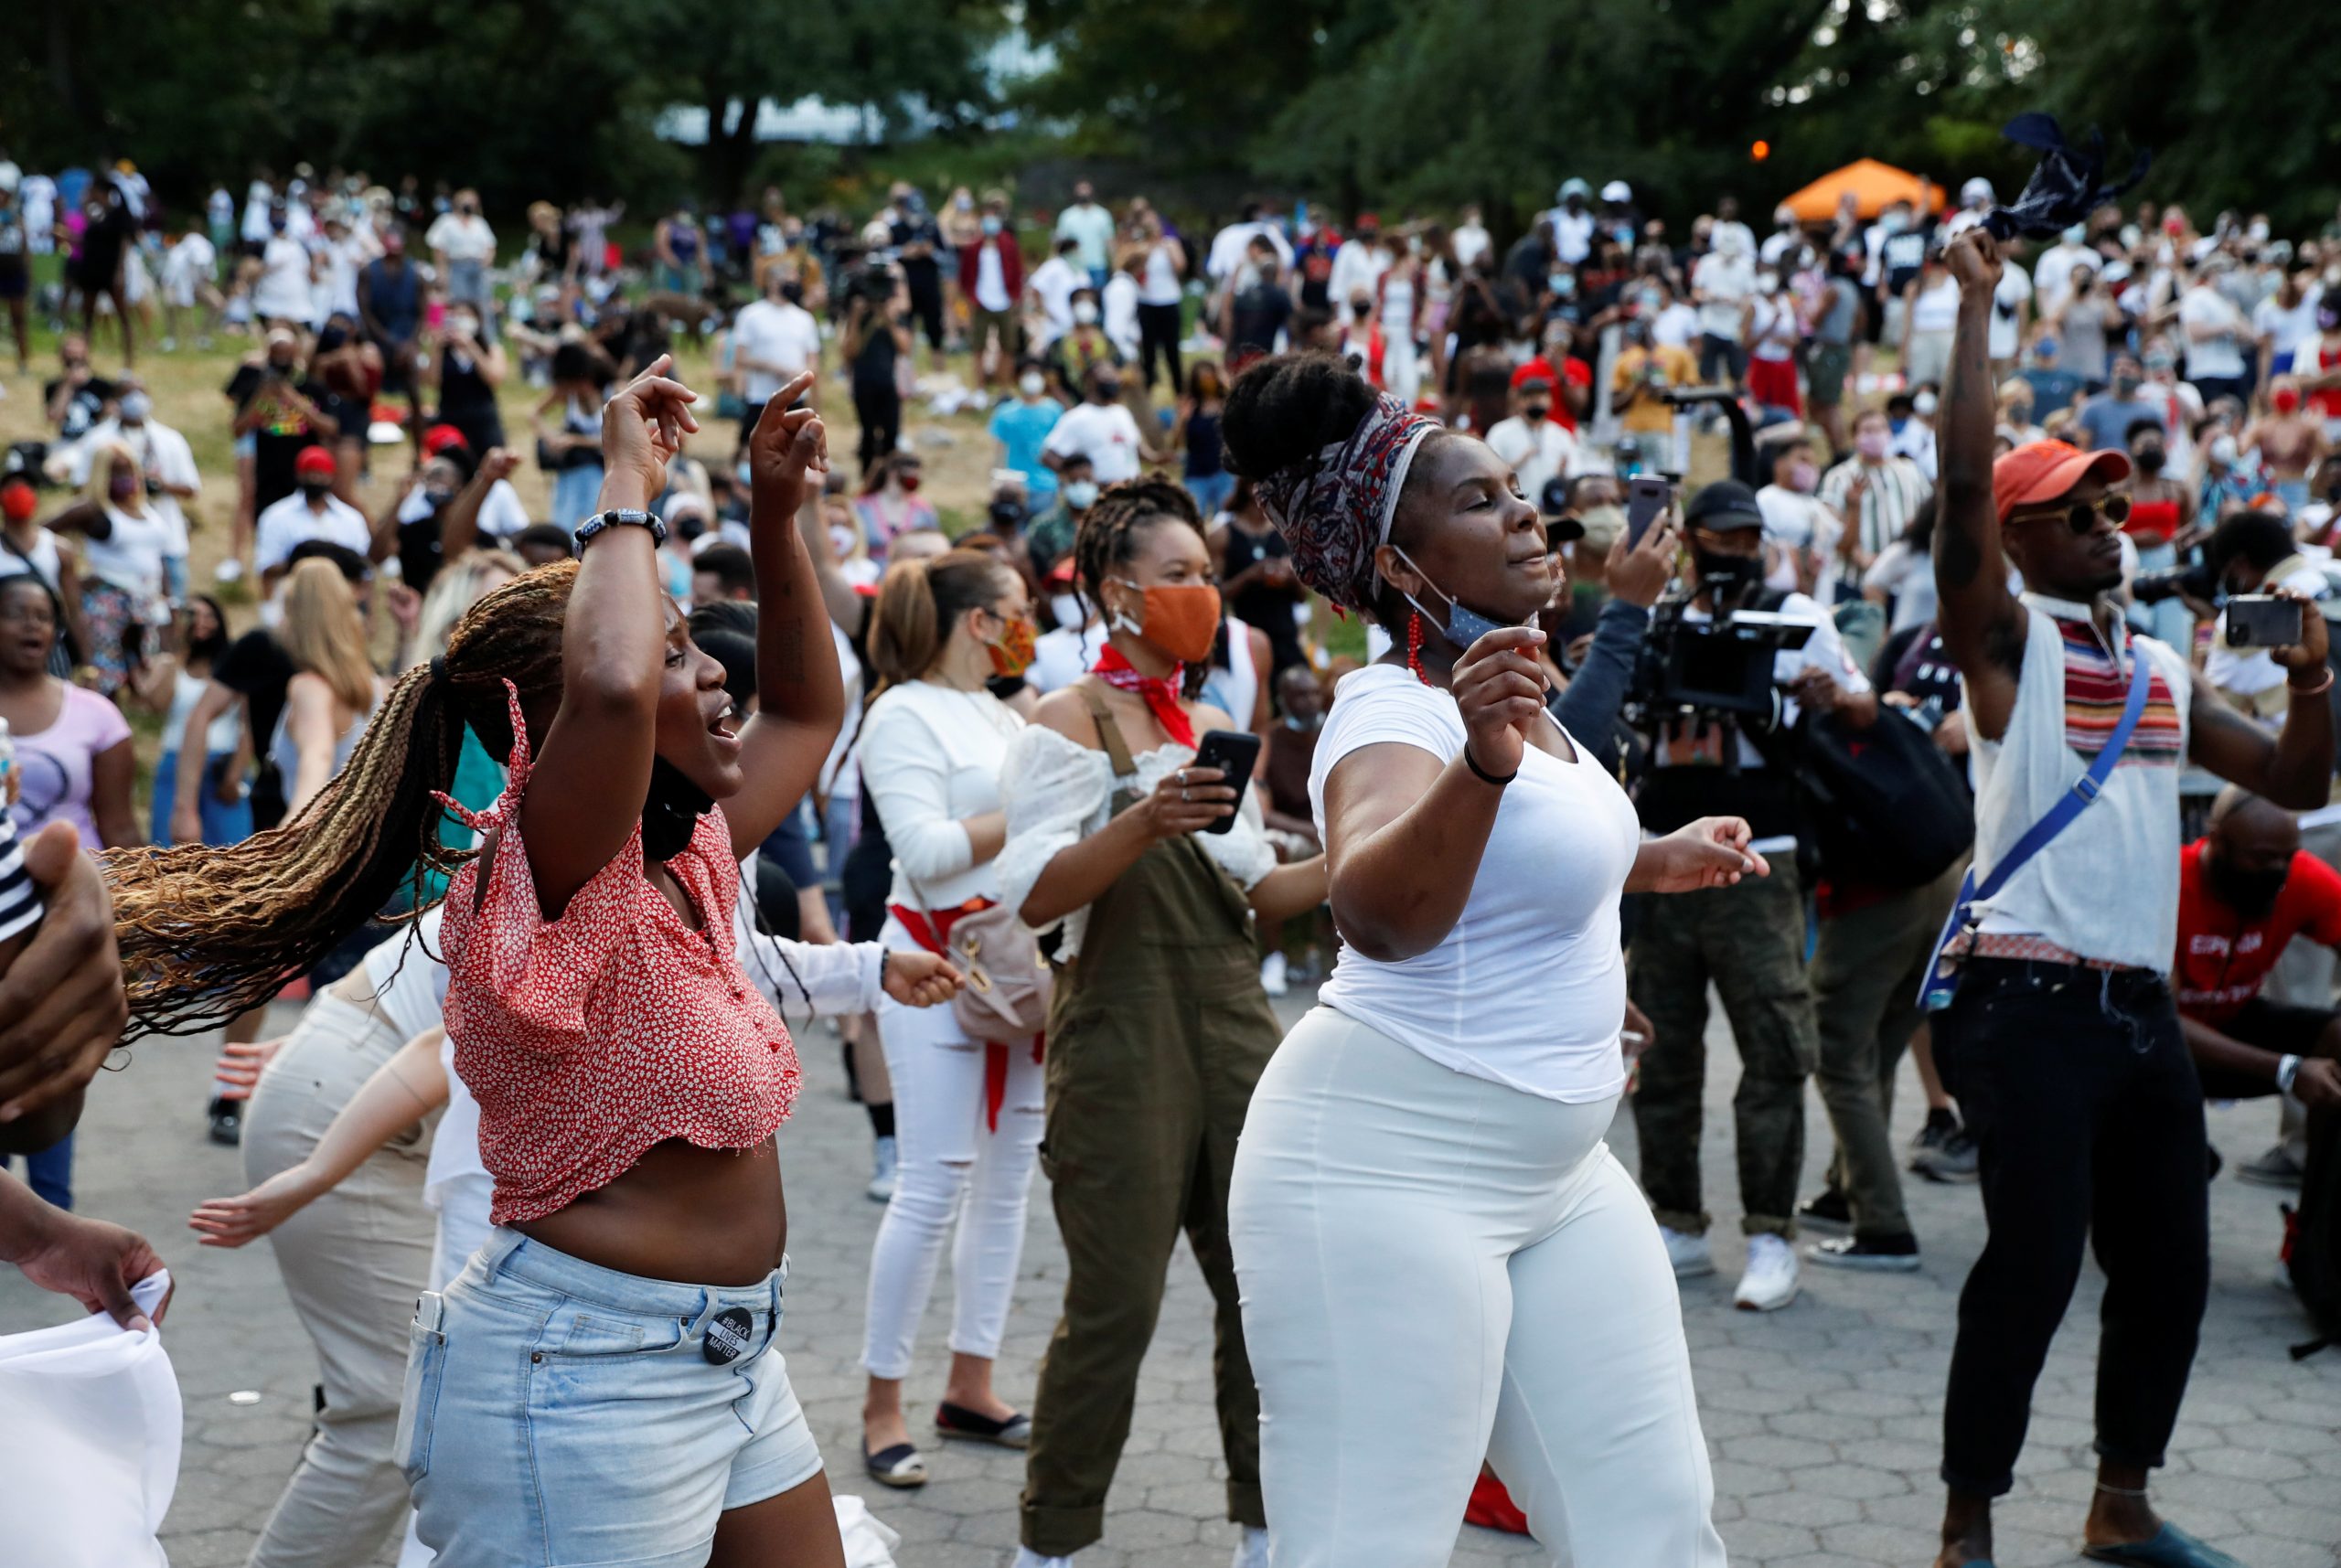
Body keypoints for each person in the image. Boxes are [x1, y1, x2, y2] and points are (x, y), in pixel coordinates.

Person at [1216, 353, 1738, 1566]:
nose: (1524, 513)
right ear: (1400, 567)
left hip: (1556, 1171)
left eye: (1515, 487)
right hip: (1381, 1173)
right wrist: (1483, 759)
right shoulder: (1396, 708)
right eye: (1477, 499)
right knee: (1366, 1546)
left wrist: (1650, 860)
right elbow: (1375, 910)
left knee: (1653, 1526)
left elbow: (1528, 868)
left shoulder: (1524, 702)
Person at [1926, 227, 2334, 1568]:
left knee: (2167, 1269)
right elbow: (1959, 482)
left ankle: (2121, 1502)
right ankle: (1965, 1520)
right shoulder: (2009, 641)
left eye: (2120, 509)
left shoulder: (2158, 664)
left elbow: (2282, 772)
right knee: (2032, 1269)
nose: (2116, 526)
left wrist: (2319, 681)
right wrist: (1981, 303)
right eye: (2083, 514)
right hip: (2023, 998)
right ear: (2023, 536)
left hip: (2134, 1008)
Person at [993, 478, 1325, 1568]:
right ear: (1112, 591)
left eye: (1207, 576)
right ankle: (1053, 1538)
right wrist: (1142, 818)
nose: (1202, 594)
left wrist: (1372, 849)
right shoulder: (1061, 719)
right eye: (1177, 576)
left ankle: (1266, 1529)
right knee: (1115, 1306)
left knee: (1264, 1295)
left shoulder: (1220, 724)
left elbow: (1259, 896)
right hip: (1121, 1035)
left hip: (1236, 1023)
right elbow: (1033, 898)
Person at [1628, 478, 1876, 1310]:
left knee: (1775, 1046)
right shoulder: (1658, 618)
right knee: (1661, 1049)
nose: (1729, 553)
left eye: (1744, 538)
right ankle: (1678, 1221)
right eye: (1715, 537)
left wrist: (1827, 696)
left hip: (1756, 859)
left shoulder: (1792, 614)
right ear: (1688, 539)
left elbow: (1863, 703)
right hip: (1659, 857)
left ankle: (1771, 1231)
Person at [852, 550, 1042, 1488]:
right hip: (929, 963)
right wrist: (1037, 805)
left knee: (1006, 1185)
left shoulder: (1005, 710)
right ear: (976, 621)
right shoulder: (900, 712)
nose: (1030, 621)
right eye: (1019, 607)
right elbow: (924, 853)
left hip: (1014, 970)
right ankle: (880, 1402)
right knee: (934, 1183)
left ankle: (973, 1380)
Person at [2174, 790, 2341, 1118]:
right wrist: (2286, 1069)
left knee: (2337, 1038)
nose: (2278, 870)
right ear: (2217, 841)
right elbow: (2158, 1019)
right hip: (2157, 1041)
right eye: (2262, 858)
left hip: (2233, 1019)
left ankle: (2319, 1167)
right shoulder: (2171, 884)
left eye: (2287, 856)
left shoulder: (2300, 877)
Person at [47, 440, 172, 696]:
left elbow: (158, 557)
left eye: (129, 469)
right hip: (108, 601)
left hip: (146, 600)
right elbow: (40, 534)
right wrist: (70, 575)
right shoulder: (92, 511)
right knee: (106, 675)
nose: (126, 477)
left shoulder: (147, 509)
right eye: (117, 471)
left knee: (145, 670)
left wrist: (168, 598)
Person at [274, 558, 384, 817]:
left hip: (321, 842)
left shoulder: (309, 688)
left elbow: (318, 756)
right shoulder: (375, 688)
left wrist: (288, 837)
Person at [146, 596, 250, 848]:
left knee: (231, 850)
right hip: (176, 762)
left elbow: (248, 725)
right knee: (169, 852)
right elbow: (157, 704)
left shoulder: (234, 667)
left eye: (209, 615)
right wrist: (177, 653)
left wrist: (235, 774)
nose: (200, 622)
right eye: (192, 615)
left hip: (222, 766)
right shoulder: (170, 663)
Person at [1819, 409, 1932, 601]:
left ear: (1889, 433)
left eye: (1881, 429)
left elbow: (1929, 520)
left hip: (1903, 584)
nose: (1876, 435)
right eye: (1868, 430)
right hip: (1854, 583)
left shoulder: (1910, 472)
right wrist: (1854, 508)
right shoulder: (1839, 477)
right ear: (1855, 437)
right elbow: (1834, 541)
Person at [731, 269, 824, 448]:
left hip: (795, 398)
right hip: (761, 397)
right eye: (788, 281)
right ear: (773, 283)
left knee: (794, 450)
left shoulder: (804, 318)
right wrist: (771, 367)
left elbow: (813, 362)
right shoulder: (751, 315)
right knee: (751, 447)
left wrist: (800, 373)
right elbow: (740, 358)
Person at [1043, 364, 1155, 486]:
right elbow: (1049, 458)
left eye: (1114, 376)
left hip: (1131, 490)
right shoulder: (1077, 418)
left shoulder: (1121, 412)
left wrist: (1162, 458)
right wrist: (1079, 478)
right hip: (1101, 495)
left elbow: (1138, 450)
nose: (1113, 380)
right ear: (1089, 381)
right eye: (1106, 376)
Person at [1483, 373, 1578, 516]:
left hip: (1552, 509)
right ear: (1519, 401)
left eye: (1541, 396)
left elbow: (1574, 474)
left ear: (1550, 401)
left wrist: (1562, 476)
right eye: (1529, 397)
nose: (1536, 401)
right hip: (1513, 509)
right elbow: (1488, 473)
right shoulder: (1500, 432)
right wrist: (1516, 463)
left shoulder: (1561, 435)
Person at [426, 301, 508, 459]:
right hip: (451, 417)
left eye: (465, 315)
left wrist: (471, 346)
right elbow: (432, 382)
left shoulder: (491, 349)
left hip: (483, 418)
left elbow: (494, 378)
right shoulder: (443, 352)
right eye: (455, 316)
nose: (460, 320)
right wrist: (436, 347)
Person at [962, 194, 1025, 390]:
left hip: (1004, 301)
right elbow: (965, 276)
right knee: (978, 348)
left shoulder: (1009, 244)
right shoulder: (974, 247)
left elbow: (1017, 272)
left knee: (1007, 346)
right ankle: (979, 387)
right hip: (981, 302)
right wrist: (971, 298)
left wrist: (1015, 299)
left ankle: (1003, 386)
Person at [991, 362, 1064, 510]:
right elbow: (999, 450)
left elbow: (1061, 448)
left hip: (1046, 485)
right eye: (1027, 373)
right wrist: (997, 480)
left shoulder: (1055, 410)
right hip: (1015, 485)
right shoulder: (1005, 412)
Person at [851, 453, 940, 561]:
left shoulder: (923, 509)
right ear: (892, 473)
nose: (915, 480)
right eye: (911, 476)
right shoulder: (862, 506)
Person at [425, 190, 496, 309]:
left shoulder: (479, 223)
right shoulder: (446, 221)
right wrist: (442, 271)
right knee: (460, 302)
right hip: (457, 266)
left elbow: (491, 246)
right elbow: (438, 247)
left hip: (478, 266)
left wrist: (486, 263)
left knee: (483, 303)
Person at [1054, 182, 1117, 288]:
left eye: (1086, 189)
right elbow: (1059, 243)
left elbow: (1110, 241)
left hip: (1098, 266)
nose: (1083, 193)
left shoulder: (1102, 215)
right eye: (1081, 190)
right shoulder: (1067, 216)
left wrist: (1115, 265)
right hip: (1073, 267)